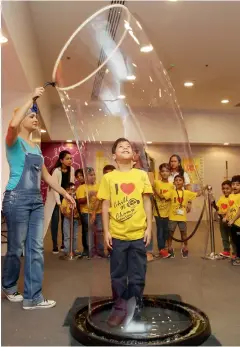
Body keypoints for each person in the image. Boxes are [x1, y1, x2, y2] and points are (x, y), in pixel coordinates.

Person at [2, 87, 75, 310]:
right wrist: (30, 98)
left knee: (35, 248)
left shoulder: (35, 147)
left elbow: (45, 177)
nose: (35, 119)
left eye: (36, 116)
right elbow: (13, 124)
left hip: (35, 201)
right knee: (15, 248)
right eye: (31, 116)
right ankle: (9, 286)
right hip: (16, 199)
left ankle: (33, 297)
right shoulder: (13, 142)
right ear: (22, 117)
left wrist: (65, 194)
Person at [97, 138, 152, 327]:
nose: (126, 148)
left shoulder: (142, 175)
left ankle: (135, 305)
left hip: (138, 234)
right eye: (121, 147)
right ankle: (119, 307)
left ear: (135, 156)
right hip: (117, 234)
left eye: (128, 146)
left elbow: (147, 202)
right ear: (114, 156)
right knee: (118, 274)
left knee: (138, 274)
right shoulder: (108, 178)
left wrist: (149, 228)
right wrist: (106, 232)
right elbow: (105, 205)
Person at [44, 150, 75, 254]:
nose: (70, 160)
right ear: (61, 160)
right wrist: (59, 204)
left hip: (66, 198)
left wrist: (69, 197)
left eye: (71, 158)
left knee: (65, 221)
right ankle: (54, 245)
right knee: (55, 222)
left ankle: (63, 244)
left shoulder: (72, 169)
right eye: (67, 158)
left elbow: (71, 185)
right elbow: (54, 188)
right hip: (55, 199)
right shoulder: (56, 171)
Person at [168, 175, 202, 258]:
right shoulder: (171, 192)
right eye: (176, 180)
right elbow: (162, 196)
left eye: (180, 180)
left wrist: (203, 188)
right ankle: (169, 247)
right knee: (170, 233)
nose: (178, 182)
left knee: (184, 233)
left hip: (182, 217)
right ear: (173, 182)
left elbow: (197, 194)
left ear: (183, 183)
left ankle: (185, 247)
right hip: (172, 217)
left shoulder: (186, 193)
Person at [76, 167, 104, 257]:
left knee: (100, 231)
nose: (93, 177)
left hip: (98, 212)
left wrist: (94, 213)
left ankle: (100, 250)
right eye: (91, 175)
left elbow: (101, 199)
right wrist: (88, 195)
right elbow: (80, 201)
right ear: (86, 177)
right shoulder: (81, 188)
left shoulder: (99, 186)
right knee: (89, 231)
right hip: (86, 213)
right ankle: (90, 251)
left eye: (94, 175)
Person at [152, 163, 174, 258]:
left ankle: (164, 247)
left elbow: (165, 197)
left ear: (170, 173)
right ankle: (161, 249)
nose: (165, 173)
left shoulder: (171, 186)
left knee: (166, 231)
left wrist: (158, 193)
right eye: (163, 171)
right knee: (160, 231)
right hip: (158, 212)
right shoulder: (156, 183)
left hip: (168, 212)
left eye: (167, 171)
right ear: (160, 173)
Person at [212, 180, 236, 258]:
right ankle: (226, 251)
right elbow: (218, 208)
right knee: (224, 236)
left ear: (231, 188)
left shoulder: (232, 198)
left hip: (230, 221)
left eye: (227, 188)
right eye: (223, 189)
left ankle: (235, 252)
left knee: (232, 237)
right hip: (222, 221)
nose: (225, 190)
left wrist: (227, 217)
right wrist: (213, 203)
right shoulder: (221, 198)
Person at [224, 175, 240, 266]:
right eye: (233, 184)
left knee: (239, 242)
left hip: (238, 223)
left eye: (238, 185)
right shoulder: (231, 196)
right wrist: (226, 217)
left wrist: (233, 220)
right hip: (232, 223)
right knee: (234, 240)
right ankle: (237, 256)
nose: (235, 186)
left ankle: (239, 258)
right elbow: (229, 208)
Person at [61, 182, 80, 255]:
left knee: (75, 236)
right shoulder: (65, 199)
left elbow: (77, 210)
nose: (71, 192)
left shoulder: (75, 199)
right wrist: (68, 216)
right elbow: (64, 211)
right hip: (67, 220)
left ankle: (74, 250)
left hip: (75, 219)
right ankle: (67, 250)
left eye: (73, 190)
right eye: (69, 190)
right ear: (66, 190)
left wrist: (77, 216)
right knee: (67, 235)